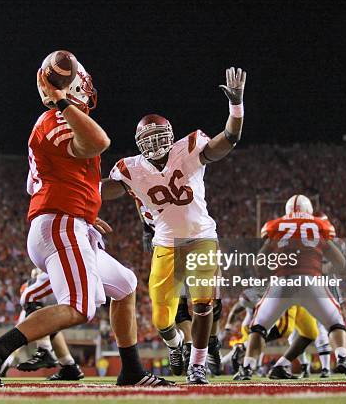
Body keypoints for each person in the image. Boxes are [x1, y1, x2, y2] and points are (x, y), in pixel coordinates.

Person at [0, 55, 170, 387]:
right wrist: (61, 100)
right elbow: (98, 143)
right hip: (60, 225)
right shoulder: (54, 119)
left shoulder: (55, 123)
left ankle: (132, 370)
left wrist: (88, 212)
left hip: (69, 222)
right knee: (80, 307)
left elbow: (54, 178)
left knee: (125, 285)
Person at [102, 67, 246, 384]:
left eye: (159, 137)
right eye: (147, 140)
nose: (154, 145)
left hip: (202, 237)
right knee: (161, 318)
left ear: (171, 135)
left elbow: (229, 139)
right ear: (138, 143)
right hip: (165, 244)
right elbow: (100, 190)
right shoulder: (130, 169)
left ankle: (197, 364)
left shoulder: (190, 148)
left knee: (203, 303)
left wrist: (236, 106)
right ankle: (175, 344)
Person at [234, 194, 346, 380]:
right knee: (335, 322)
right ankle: (343, 357)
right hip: (311, 280)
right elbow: (341, 263)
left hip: (282, 281)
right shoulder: (319, 226)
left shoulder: (276, 226)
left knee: (259, 328)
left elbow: (259, 263)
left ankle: (247, 368)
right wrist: (324, 268)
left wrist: (274, 273)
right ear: (309, 210)